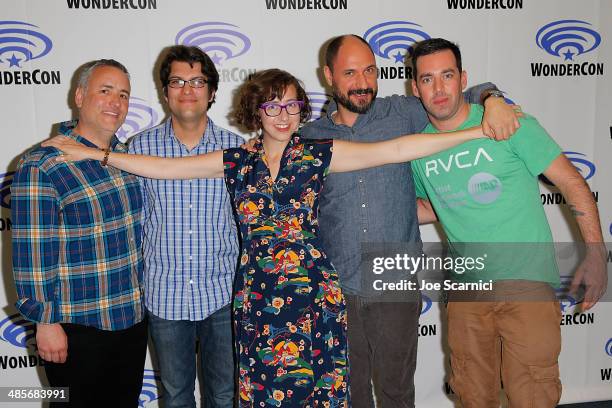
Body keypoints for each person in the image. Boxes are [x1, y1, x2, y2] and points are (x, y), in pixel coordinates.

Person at [44, 68, 493, 406]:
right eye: (273, 106)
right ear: (256, 111)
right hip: (259, 297)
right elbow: (163, 168)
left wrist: (477, 131)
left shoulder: (320, 154)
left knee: (319, 392)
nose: (283, 115)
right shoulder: (237, 161)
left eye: (293, 105)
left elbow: (396, 149)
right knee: (266, 394)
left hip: (314, 295)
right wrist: (98, 154)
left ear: (302, 110)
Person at [299, 34, 520, 408]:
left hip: (394, 282)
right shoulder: (310, 138)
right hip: (336, 289)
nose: (362, 82)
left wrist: (493, 99)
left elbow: (455, 95)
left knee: (397, 394)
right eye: (350, 72)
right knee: (347, 397)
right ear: (328, 76)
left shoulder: (404, 112)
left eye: (370, 70)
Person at [409, 38, 607, 407]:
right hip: (467, 291)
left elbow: (571, 182)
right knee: (473, 397)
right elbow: (432, 206)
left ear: (463, 78)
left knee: (533, 396)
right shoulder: (420, 148)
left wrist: (596, 255)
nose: (438, 88)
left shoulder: (510, 123)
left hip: (526, 286)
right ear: (414, 87)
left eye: (447, 75)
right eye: (427, 79)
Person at [11, 59, 147, 407]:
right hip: (75, 327)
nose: (115, 102)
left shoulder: (126, 159)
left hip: (129, 319)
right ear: (80, 95)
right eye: (105, 91)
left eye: (124, 95)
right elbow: (33, 251)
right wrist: (45, 323)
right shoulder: (42, 164)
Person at [128, 45, 242, 408]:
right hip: (165, 294)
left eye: (197, 81)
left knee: (224, 395)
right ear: (165, 93)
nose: (187, 90)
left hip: (223, 292)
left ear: (211, 92)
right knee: (175, 396)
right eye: (177, 81)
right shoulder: (140, 148)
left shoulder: (237, 150)